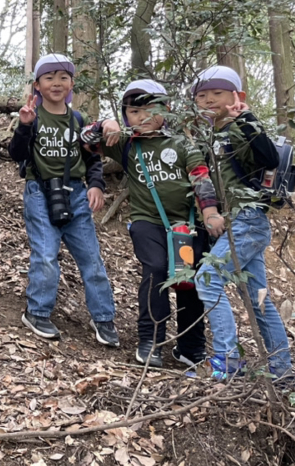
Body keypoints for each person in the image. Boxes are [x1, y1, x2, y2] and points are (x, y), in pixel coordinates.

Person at [85, 81, 222, 367]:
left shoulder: (182, 143)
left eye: (151, 109)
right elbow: (84, 141)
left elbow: (201, 178)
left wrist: (209, 213)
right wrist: (105, 124)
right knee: (156, 270)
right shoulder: (125, 143)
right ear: (126, 116)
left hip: (188, 224)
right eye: (134, 111)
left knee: (190, 280)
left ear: (167, 110)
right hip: (148, 222)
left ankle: (191, 347)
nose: (143, 117)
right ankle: (151, 341)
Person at [7, 54, 119, 347]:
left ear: (71, 83)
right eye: (49, 77)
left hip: (76, 193)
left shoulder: (79, 119)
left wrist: (95, 185)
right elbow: (17, 154)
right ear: (37, 85)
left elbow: (92, 155)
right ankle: (37, 312)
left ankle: (104, 318)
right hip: (39, 191)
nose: (56, 83)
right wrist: (24, 126)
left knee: (91, 257)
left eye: (63, 77)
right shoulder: (31, 116)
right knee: (45, 254)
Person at [191, 66, 293, 381]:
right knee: (259, 297)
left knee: (208, 280)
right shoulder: (208, 136)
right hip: (238, 224)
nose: (209, 101)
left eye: (217, 94)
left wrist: (245, 119)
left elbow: (269, 158)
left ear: (237, 96)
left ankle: (227, 362)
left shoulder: (241, 128)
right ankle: (282, 369)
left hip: (248, 222)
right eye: (203, 96)